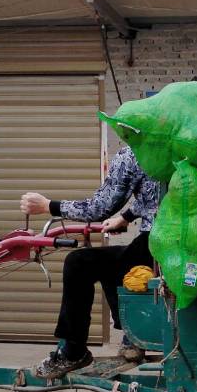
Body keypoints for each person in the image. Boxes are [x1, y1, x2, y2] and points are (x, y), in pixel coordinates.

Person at [20, 145, 159, 379]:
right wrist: (126, 217)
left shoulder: (137, 151)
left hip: (159, 242)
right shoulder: (187, 145)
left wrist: (48, 206)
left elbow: (99, 208)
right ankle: (132, 338)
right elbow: (159, 195)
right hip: (185, 245)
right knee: (115, 263)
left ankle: (74, 351)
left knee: (80, 262)